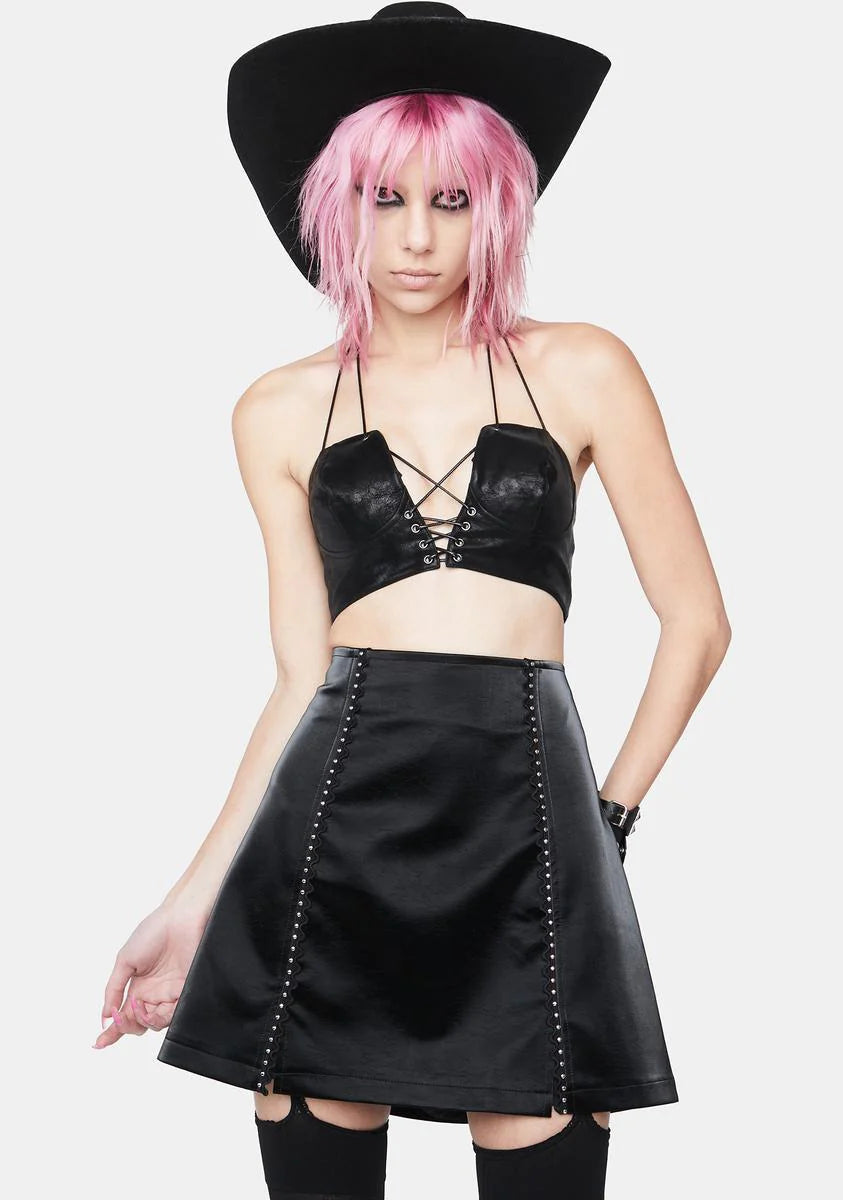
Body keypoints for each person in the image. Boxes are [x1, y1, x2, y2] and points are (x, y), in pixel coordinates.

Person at [93, 6, 731, 1198]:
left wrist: (607, 819)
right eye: (385, 199)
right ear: (335, 207)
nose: (420, 237)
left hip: (531, 817)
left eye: (454, 199)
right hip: (333, 829)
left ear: (502, 206)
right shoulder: (279, 407)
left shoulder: (584, 365)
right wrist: (188, 902)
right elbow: (299, 676)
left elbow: (698, 624)